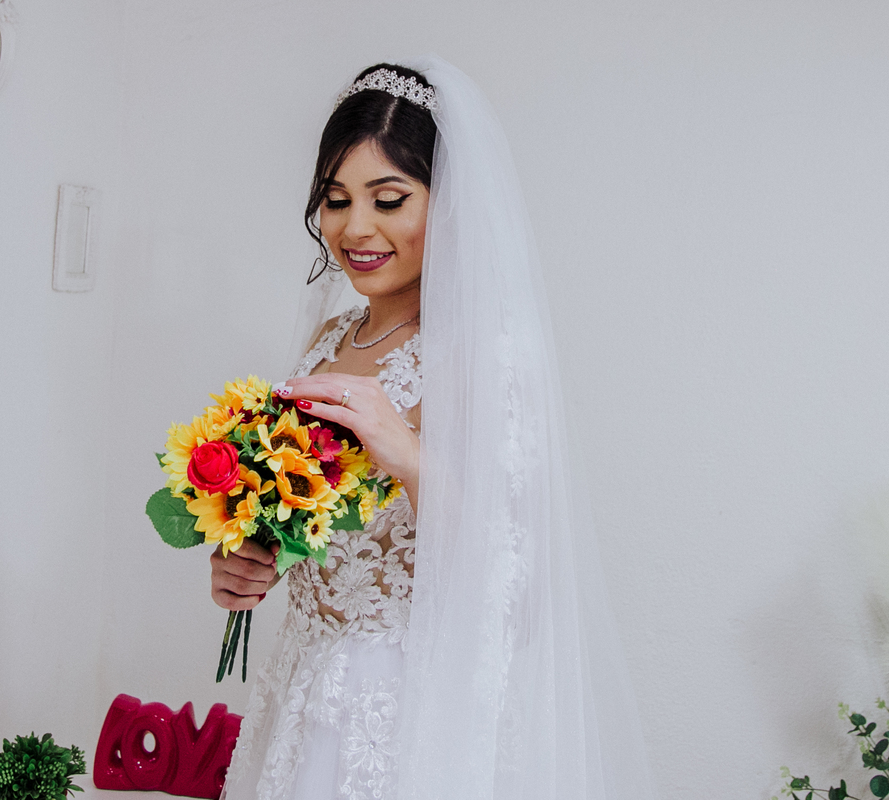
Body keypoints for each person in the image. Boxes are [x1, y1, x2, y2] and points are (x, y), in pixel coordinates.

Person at [212, 58, 655, 800]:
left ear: (448, 205)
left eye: (389, 200)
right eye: (336, 199)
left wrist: (410, 457)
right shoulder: (328, 341)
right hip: (301, 690)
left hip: (404, 708)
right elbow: (330, 536)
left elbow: (520, 583)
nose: (356, 228)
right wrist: (256, 557)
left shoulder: (484, 355)